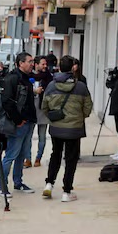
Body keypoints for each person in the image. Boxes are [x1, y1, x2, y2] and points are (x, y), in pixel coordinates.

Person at [41, 56, 93, 202]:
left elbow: (44, 107)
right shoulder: (81, 86)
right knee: (71, 159)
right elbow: (88, 108)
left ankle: (49, 184)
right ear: (72, 68)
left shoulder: (51, 86)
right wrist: (79, 117)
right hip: (74, 129)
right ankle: (66, 191)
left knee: (55, 155)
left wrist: (54, 118)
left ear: (59, 67)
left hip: (56, 128)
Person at [0, 52, 38, 196]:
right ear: (21, 63)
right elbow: (7, 102)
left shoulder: (27, 79)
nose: (32, 64)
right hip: (18, 124)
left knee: (22, 154)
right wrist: (18, 120)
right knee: (11, 155)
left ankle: (18, 182)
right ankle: (2, 186)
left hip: (28, 123)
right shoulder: (13, 79)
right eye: (30, 61)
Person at [27, 56, 54, 168]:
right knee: (28, 137)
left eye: (45, 64)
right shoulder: (28, 76)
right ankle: (27, 159)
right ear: (36, 64)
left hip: (43, 110)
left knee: (42, 137)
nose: (45, 66)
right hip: (31, 110)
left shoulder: (48, 77)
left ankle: (38, 158)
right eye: (42, 64)